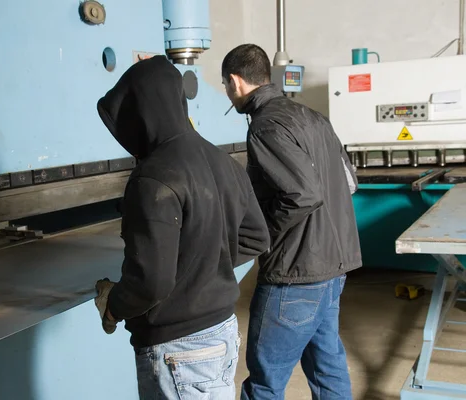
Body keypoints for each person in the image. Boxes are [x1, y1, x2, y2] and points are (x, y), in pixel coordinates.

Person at [93, 55, 271, 399]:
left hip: (178, 350)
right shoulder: (223, 160)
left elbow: (150, 283)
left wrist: (113, 304)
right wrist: (204, 262)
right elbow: (256, 237)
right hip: (221, 332)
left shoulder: (153, 177)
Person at [221, 43, 362, 399]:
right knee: (328, 370)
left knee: (264, 385)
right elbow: (349, 181)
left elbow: (302, 195)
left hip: (295, 276)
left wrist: (259, 237)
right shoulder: (314, 117)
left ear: (235, 82)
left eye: (225, 86)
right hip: (333, 269)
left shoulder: (265, 127)